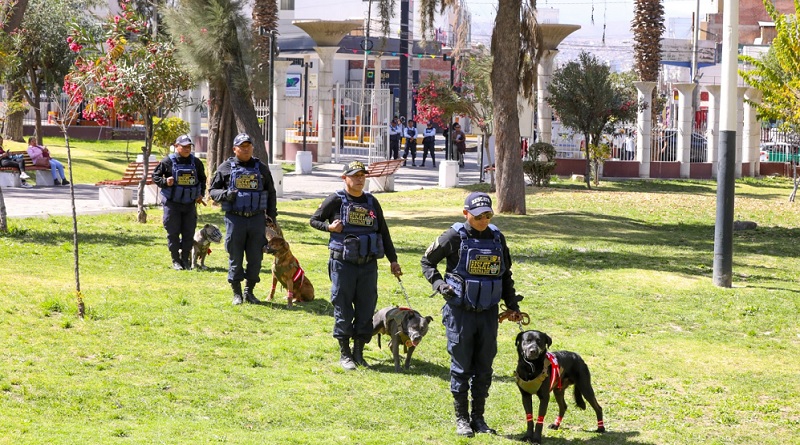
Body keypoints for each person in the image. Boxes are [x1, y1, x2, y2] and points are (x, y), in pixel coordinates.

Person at [421, 192, 523, 437]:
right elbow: (427, 262)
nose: (483, 220)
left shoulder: (497, 238)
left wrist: (512, 305)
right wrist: (439, 285)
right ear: (466, 213)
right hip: (460, 314)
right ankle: (462, 419)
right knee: (461, 367)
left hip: (488, 315)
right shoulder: (453, 237)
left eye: (488, 215)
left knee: (484, 367)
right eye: (478, 216)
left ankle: (478, 418)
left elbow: (505, 275)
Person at [309, 160, 403, 371]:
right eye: (355, 175)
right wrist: (329, 227)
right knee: (343, 306)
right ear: (345, 178)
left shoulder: (371, 202)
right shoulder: (336, 200)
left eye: (363, 175)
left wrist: (393, 260)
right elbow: (314, 220)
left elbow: (383, 233)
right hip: (343, 263)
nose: (360, 179)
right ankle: (345, 353)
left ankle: (359, 352)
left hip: (368, 264)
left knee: (366, 307)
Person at [209, 133, 277, 305]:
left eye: (248, 146)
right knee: (235, 256)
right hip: (235, 219)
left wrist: (272, 216)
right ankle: (237, 293)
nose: (245, 149)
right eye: (242, 146)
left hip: (256, 219)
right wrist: (226, 194)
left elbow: (271, 193)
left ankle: (250, 291)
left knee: (255, 258)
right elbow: (213, 191)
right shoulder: (225, 167)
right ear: (235, 149)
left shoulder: (260, 167)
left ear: (252, 148)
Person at [152, 134, 207, 270]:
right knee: (173, 233)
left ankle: (186, 260)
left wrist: (200, 194)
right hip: (172, 204)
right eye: (184, 147)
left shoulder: (196, 162)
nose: (187, 149)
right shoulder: (167, 162)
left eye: (189, 147)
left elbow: (202, 179)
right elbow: (155, 176)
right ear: (176, 146)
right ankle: (175, 260)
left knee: (188, 233)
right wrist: (165, 182)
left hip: (189, 205)